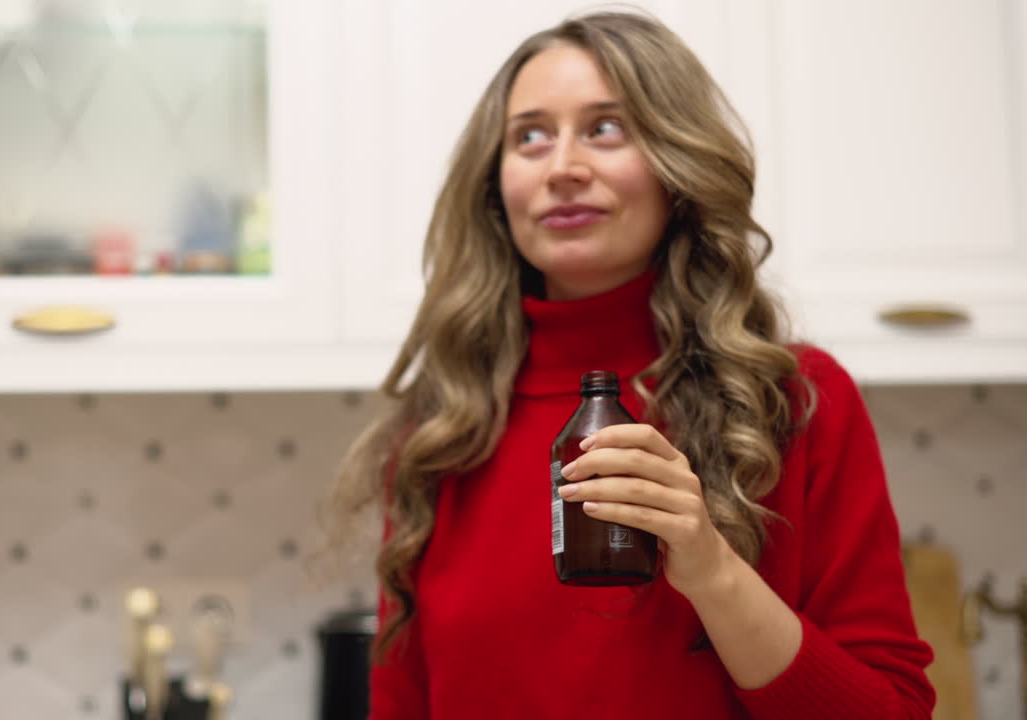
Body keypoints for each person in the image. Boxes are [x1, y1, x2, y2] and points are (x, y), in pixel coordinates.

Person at [327, 10, 935, 719]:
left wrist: (710, 568)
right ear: (496, 189)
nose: (563, 167)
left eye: (605, 129)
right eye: (530, 137)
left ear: (679, 168)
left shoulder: (798, 402)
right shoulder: (441, 433)